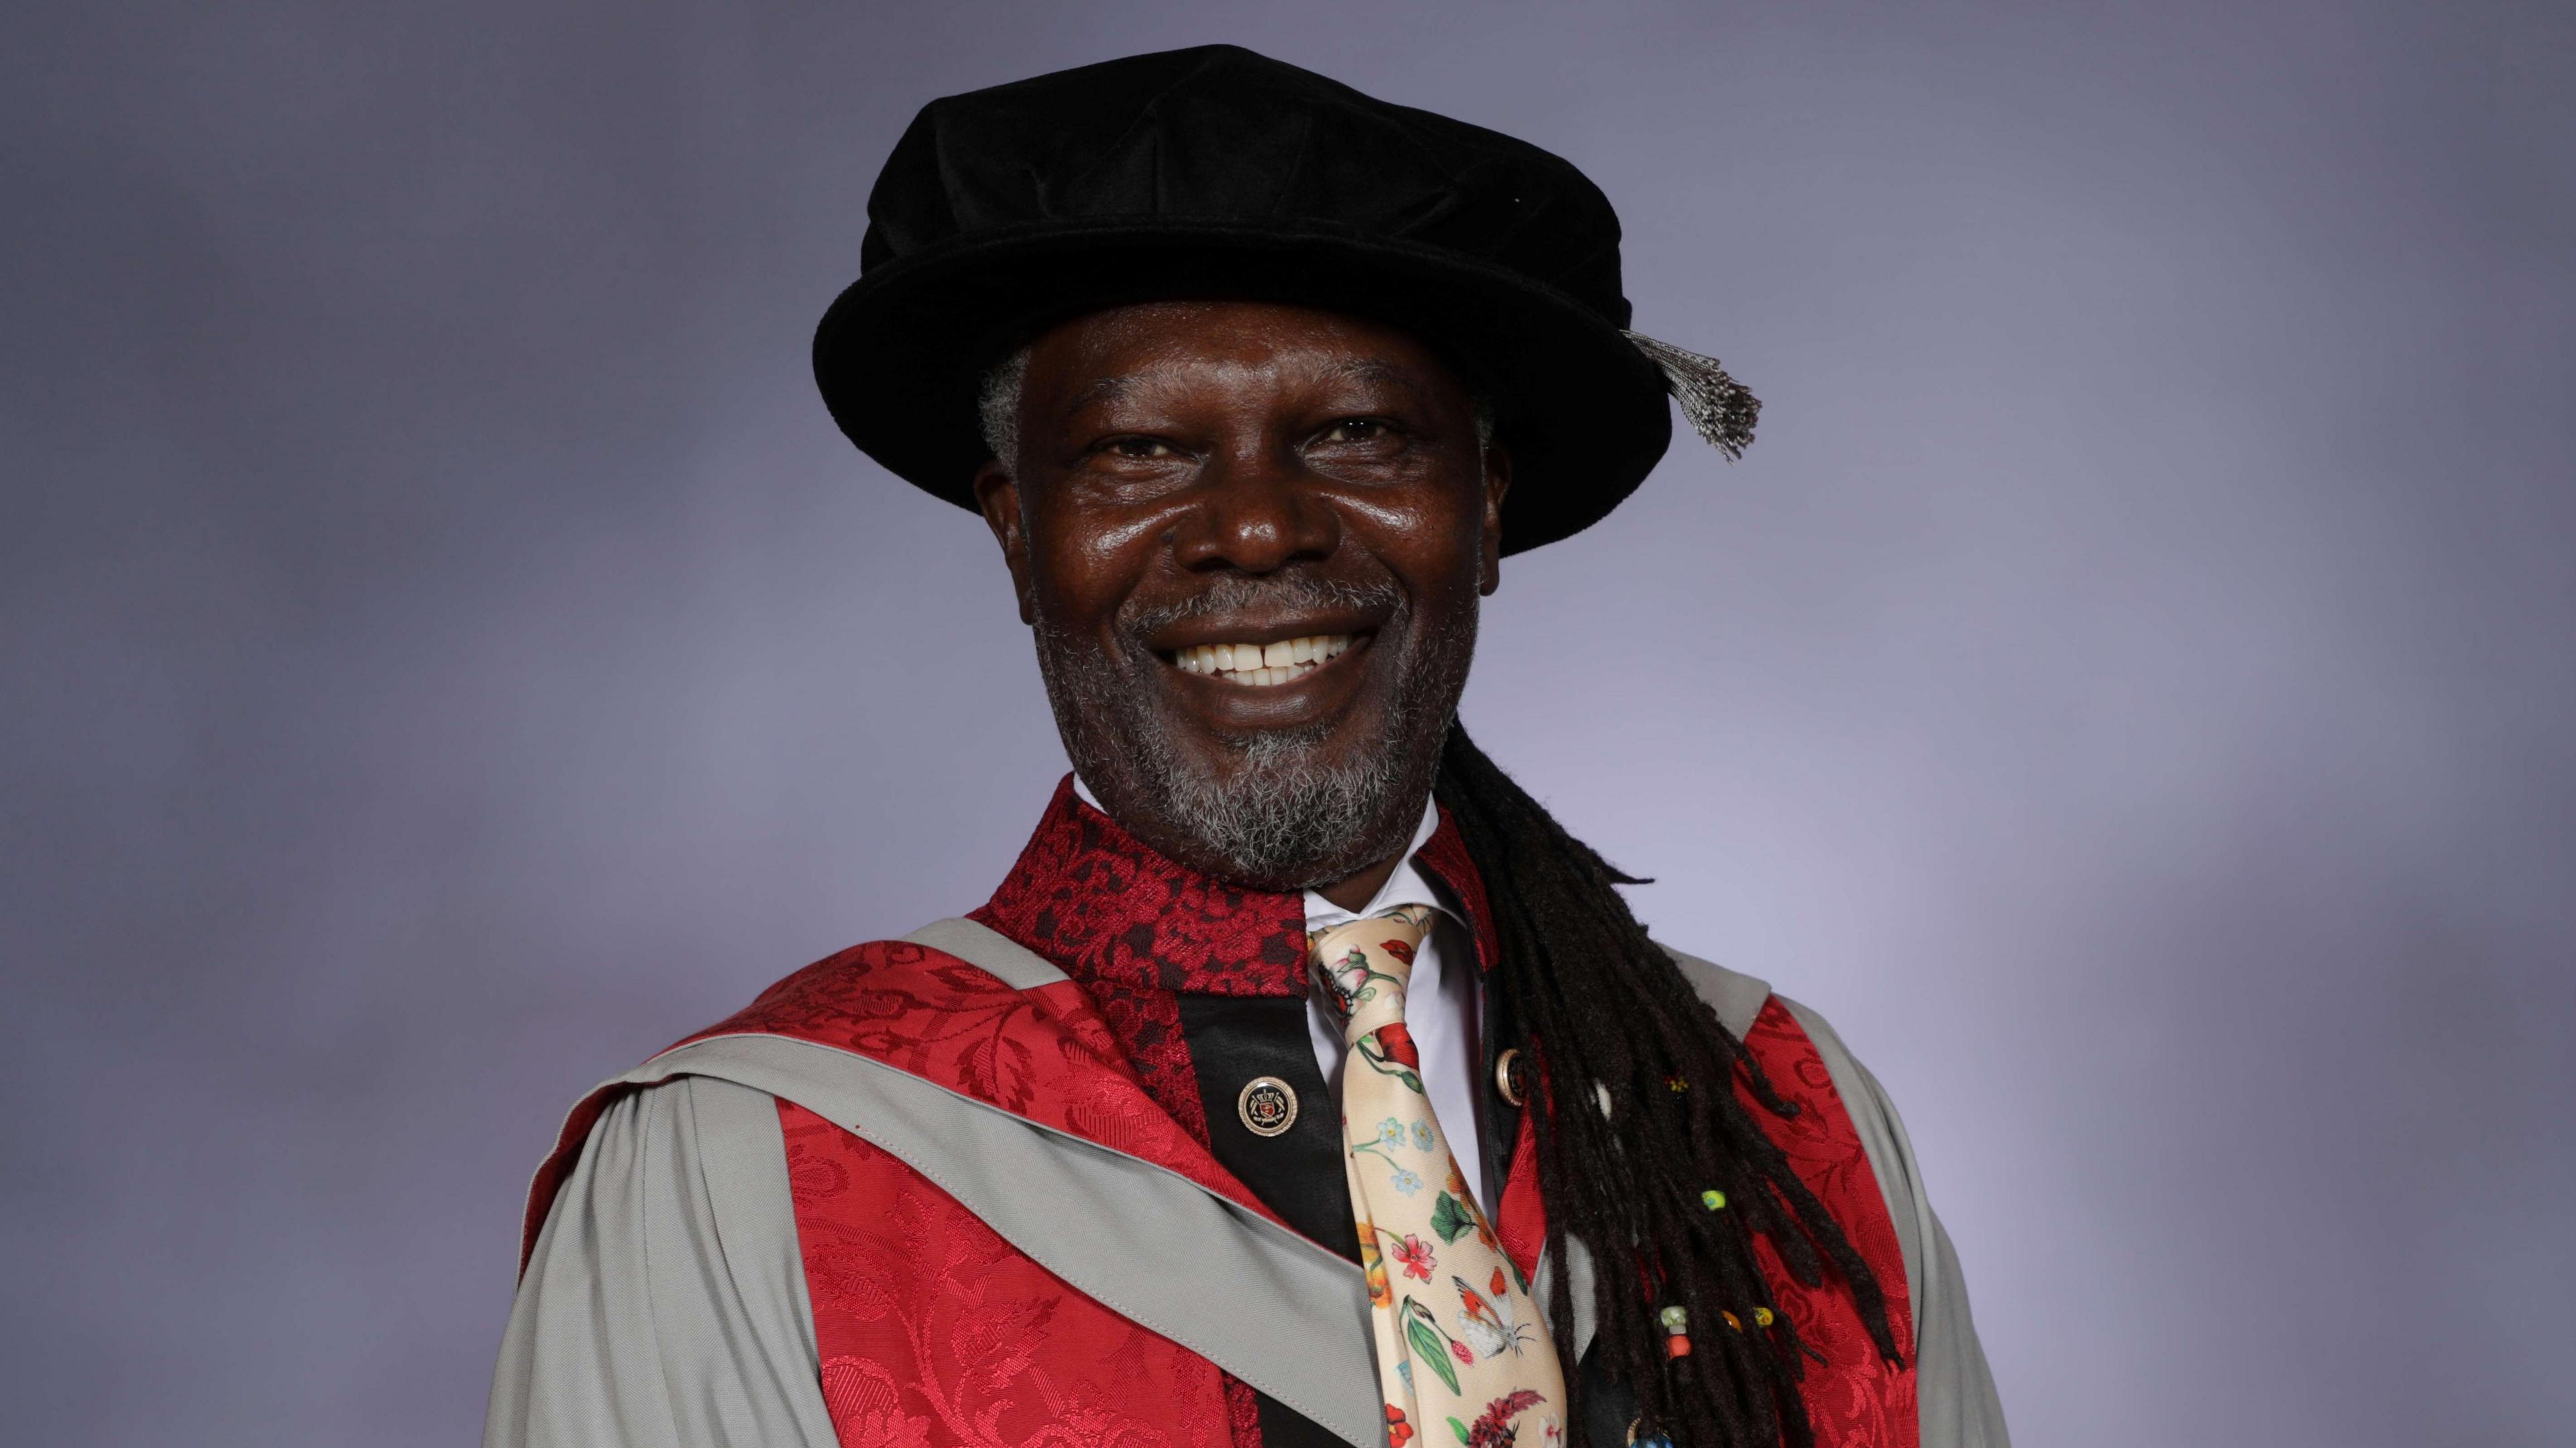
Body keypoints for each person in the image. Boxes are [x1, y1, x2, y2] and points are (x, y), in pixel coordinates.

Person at [483, 44, 2006, 1448]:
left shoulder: (1778, 1117)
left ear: (1485, 507)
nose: (1261, 529)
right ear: (1022, 534)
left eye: (1357, 434)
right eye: (1143, 450)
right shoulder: (750, 1169)